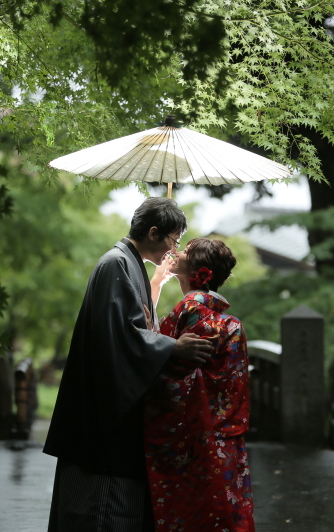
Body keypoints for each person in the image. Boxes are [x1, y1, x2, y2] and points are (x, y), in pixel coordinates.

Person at [43, 198, 215, 532]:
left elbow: (131, 322)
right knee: (101, 511)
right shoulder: (116, 264)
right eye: (173, 240)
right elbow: (120, 335)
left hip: (106, 410)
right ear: (153, 233)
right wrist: (173, 347)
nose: (173, 248)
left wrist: (153, 288)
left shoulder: (128, 264)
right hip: (104, 416)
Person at [144, 238, 255, 532]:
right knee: (225, 512)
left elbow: (154, 353)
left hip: (197, 436)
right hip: (224, 433)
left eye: (184, 252)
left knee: (195, 513)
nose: (175, 253)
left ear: (196, 270)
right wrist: (156, 282)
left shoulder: (192, 310)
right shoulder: (230, 323)